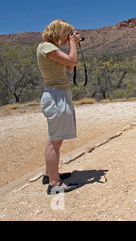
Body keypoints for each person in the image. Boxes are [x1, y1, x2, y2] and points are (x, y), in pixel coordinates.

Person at [36, 19, 81, 195]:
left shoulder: (51, 50)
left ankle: (50, 174)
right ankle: (54, 183)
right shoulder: (46, 47)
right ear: (58, 32)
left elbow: (69, 67)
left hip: (58, 94)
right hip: (56, 96)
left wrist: (72, 46)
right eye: (67, 33)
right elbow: (73, 62)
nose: (68, 37)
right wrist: (72, 44)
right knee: (55, 141)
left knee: (55, 138)